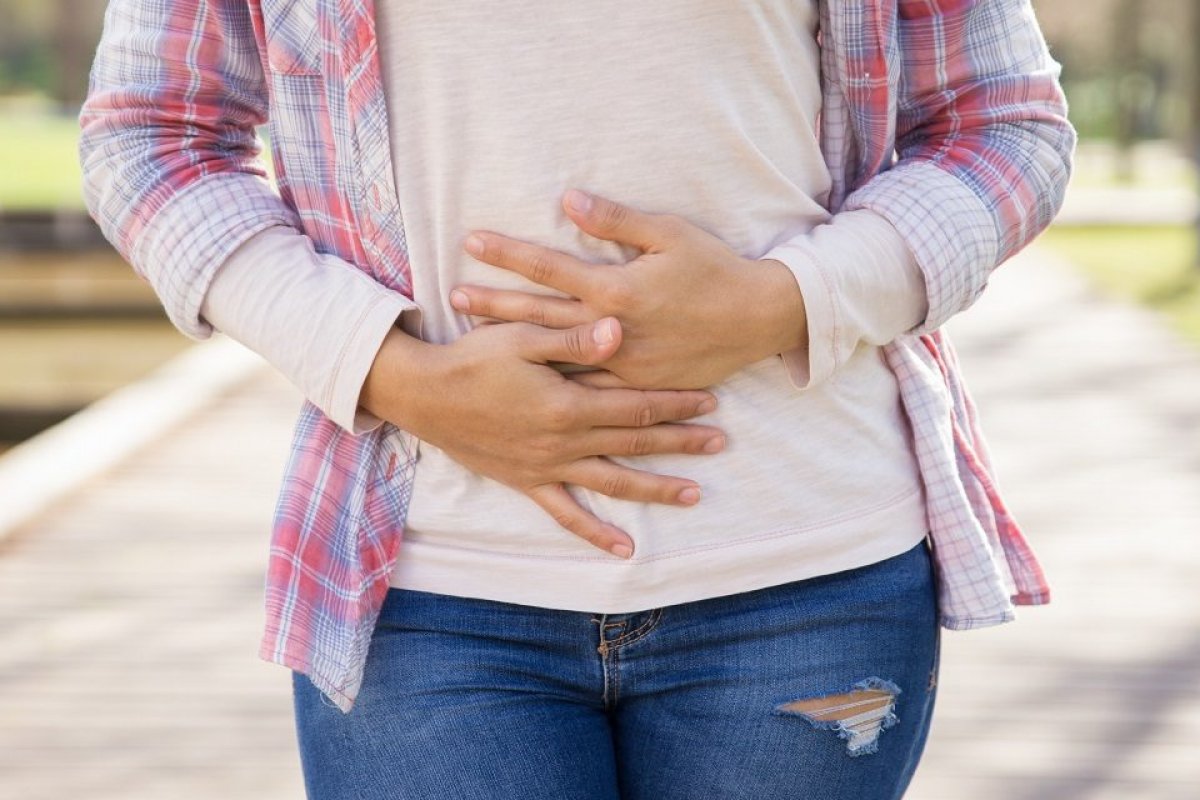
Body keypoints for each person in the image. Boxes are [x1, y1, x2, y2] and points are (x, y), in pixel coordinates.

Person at [79, 1, 1074, 797]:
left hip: (805, 576)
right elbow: (151, 140)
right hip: (429, 582)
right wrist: (392, 371)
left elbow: (1003, 125)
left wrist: (787, 301)